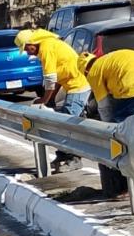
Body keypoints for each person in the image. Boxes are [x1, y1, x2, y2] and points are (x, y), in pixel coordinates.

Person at [78, 50, 134, 197]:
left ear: (85, 70)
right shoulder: (109, 59)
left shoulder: (93, 71)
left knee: (122, 138)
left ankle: (127, 186)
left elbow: (104, 107)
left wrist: (108, 130)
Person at [14, 28, 91, 173]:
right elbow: (57, 79)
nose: (27, 52)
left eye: (26, 48)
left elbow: (50, 78)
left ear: (32, 43)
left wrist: (44, 99)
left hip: (79, 86)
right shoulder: (48, 45)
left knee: (68, 124)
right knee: (63, 121)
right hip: (73, 85)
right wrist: (51, 98)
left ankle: (73, 159)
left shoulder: (46, 49)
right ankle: (62, 155)